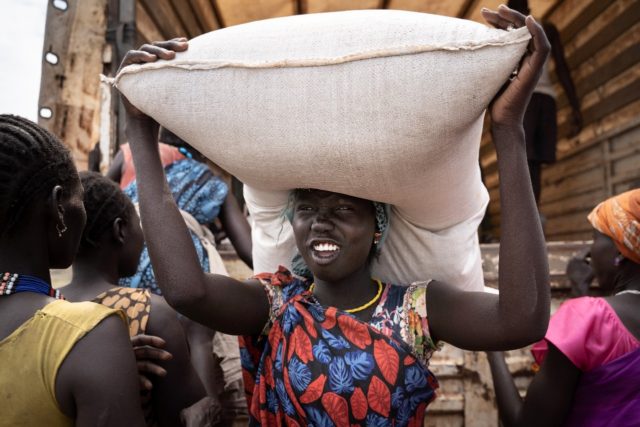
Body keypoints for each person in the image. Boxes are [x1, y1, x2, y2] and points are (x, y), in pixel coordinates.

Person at [118, 5, 550, 425]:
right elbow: (186, 293)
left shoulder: (416, 309)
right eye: (307, 209)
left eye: (343, 209)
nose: (321, 221)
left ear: (377, 228)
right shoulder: (275, 303)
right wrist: (139, 129)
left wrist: (508, 131)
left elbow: (521, 322)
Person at [0, 115, 144, 426]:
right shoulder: (92, 332)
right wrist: (95, 351)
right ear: (59, 207)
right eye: (80, 198)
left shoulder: (87, 341)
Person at [59, 171, 209, 426]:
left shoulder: (46, 304)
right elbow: (190, 414)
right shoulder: (150, 312)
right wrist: (200, 339)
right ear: (120, 230)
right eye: (138, 224)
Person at [487, 189, 640, 426]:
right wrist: (582, 291)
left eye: (595, 238)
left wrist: (492, 347)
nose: (588, 251)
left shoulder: (588, 317)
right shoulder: (591, 318)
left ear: (621, 250)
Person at [106, 128, 252, 296]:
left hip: (123, 266)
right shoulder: (210, 181)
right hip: (180, 277)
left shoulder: (138, 163)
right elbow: (249, 251)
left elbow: (101, 195)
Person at [507, 0, 582, 205]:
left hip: (525, 100)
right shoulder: (547, 28)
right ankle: (533, 211)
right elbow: (562, 69)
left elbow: (502, 76)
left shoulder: (508, 32)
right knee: (535, 163)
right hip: (546, 101)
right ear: (529, 9)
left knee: (524, 161)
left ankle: (527, 212)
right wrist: (576, 107)